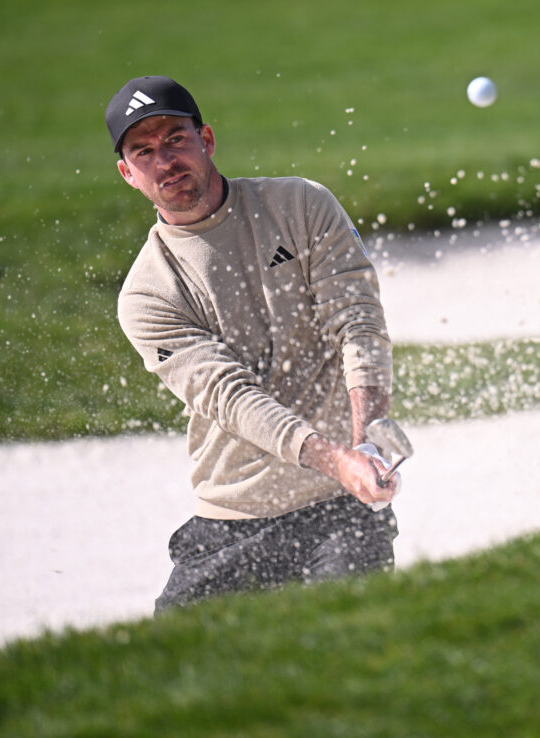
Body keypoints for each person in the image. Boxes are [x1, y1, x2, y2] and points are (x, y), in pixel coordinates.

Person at [104, 76, 400, 611]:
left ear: (207, 139)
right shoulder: (148, 293)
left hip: (339, 507)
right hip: (231, 519)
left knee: (346, 644)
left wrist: (368, 446)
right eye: (144, 152)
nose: (165, 161)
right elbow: (233, 399)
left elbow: (359, 322)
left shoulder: (300, 205)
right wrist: (339, 459)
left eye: (175, 139)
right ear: (128, 173)